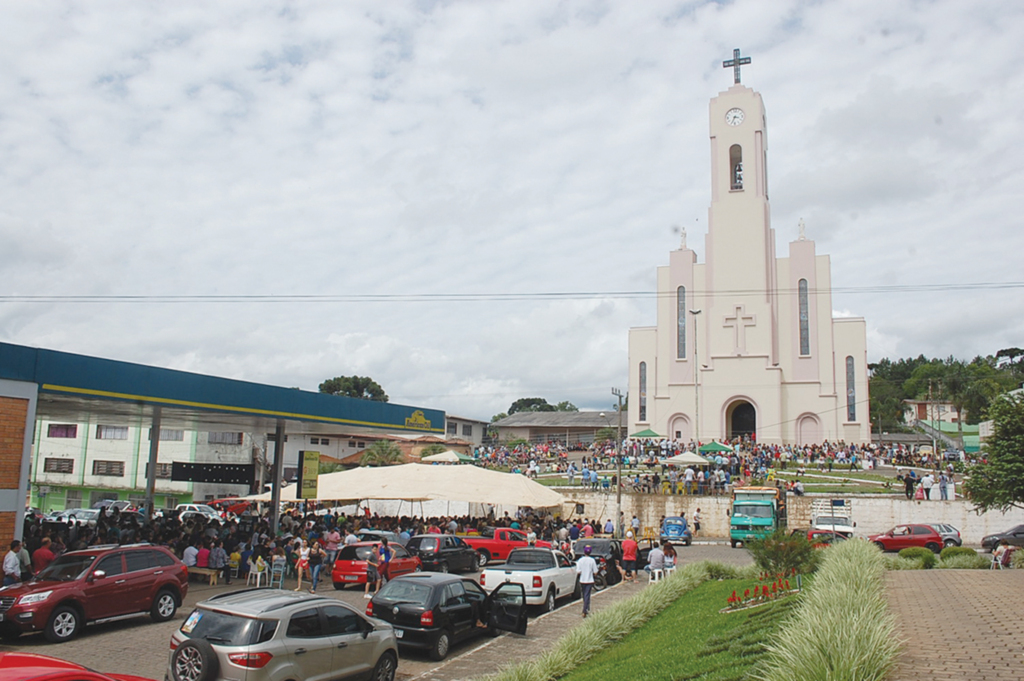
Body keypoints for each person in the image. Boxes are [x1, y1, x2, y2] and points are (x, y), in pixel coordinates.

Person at [575, 545, 597, 618]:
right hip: (590, 580)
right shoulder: (592, 560)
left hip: (582, 580)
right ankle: (585, 609)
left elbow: (578, 571)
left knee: (585, 595)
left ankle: (586, 608)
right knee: (587, 595)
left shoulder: (580, 560)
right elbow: (595, 571)